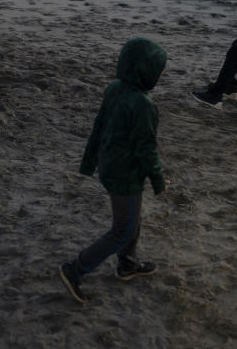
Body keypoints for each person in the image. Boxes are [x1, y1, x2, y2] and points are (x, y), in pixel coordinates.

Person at [60, 38, 169, 304]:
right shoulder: (144, 105)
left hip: (110, 164)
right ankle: (74, 269)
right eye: (158, 68)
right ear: (146, 71)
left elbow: (99, 127)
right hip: (126, 174)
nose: (161, 73)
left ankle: (128, 264)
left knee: (133, 219)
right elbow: (146, 150)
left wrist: (89, 163)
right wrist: (158, 179)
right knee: (123, 229)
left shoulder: (115, 88)